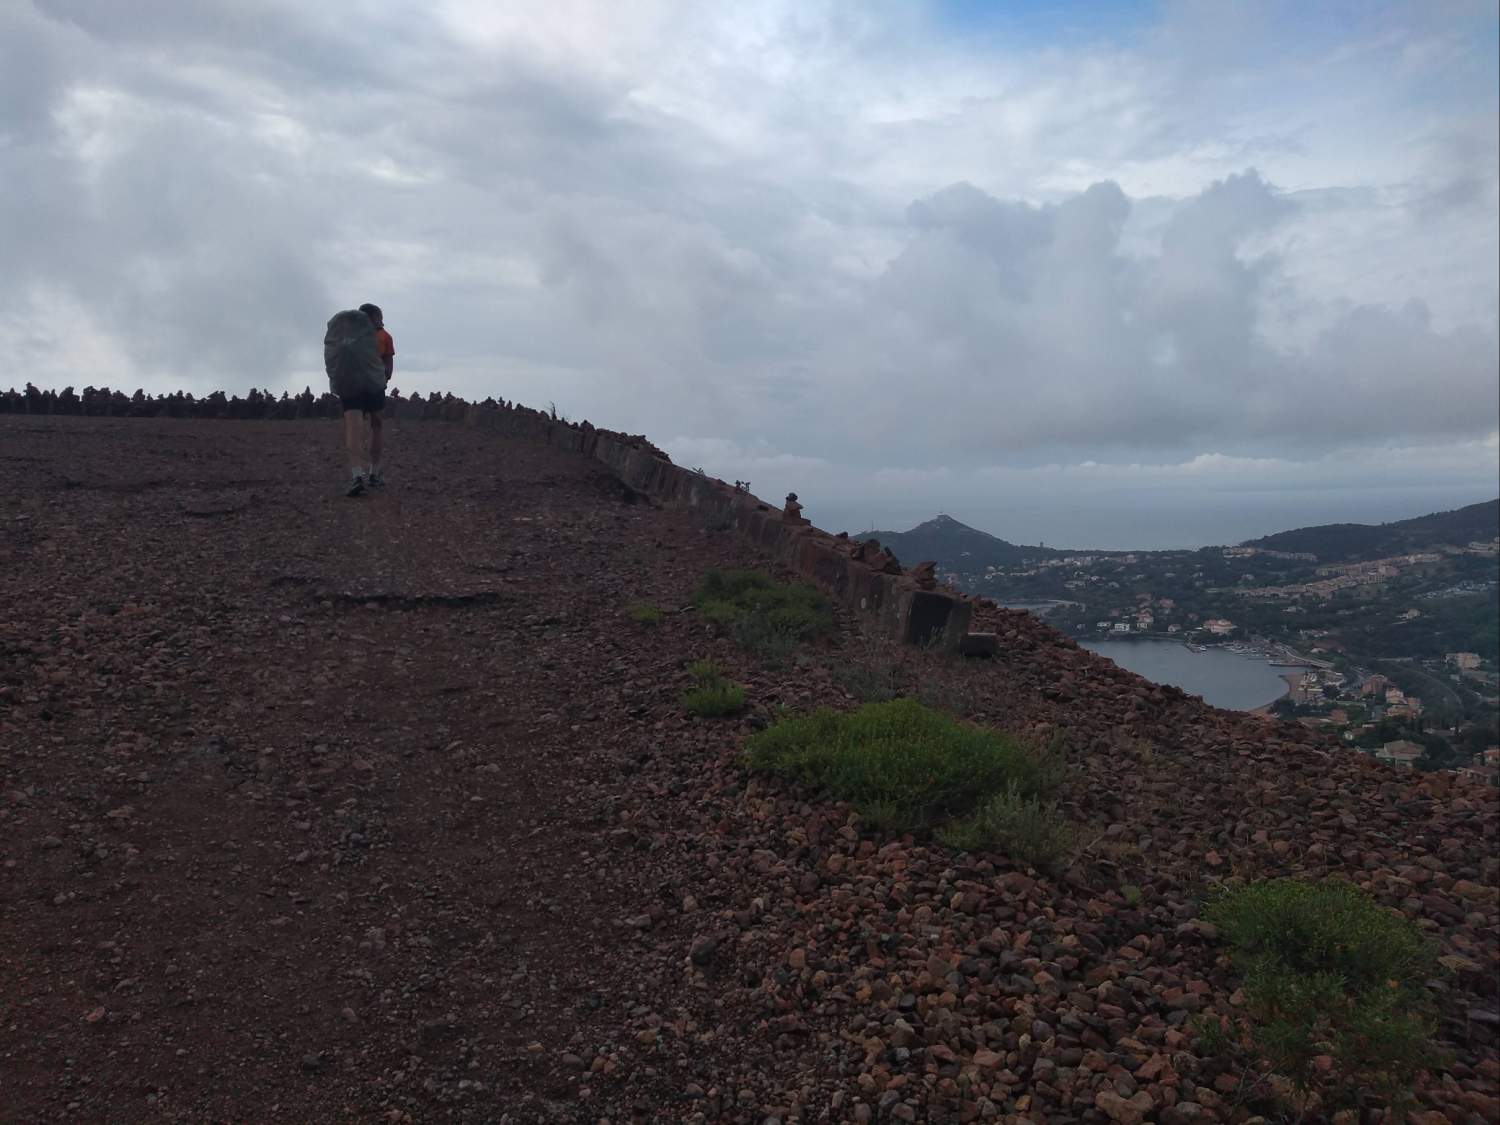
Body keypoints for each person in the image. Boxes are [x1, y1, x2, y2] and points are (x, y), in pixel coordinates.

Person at [340, 303, 394, 496]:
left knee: (354, 428)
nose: (381, 321)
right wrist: (383, 379)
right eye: (379, 317)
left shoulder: (347, 335)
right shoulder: (385, 337)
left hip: (350, 386)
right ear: (375, 317)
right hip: (374, 386)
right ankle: (374, 473)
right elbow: (389, 367)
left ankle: (357, 476)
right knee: (376, 425)